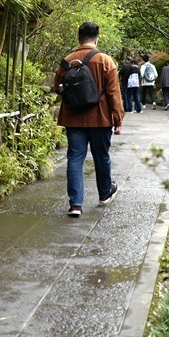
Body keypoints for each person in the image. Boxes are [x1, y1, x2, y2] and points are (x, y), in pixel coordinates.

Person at [54, 21, 124, 217]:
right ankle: (104, 193)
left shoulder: (67, 61)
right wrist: (118, 120)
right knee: (101, 156)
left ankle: (75, 205)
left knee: (75, 159)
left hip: (73, 118)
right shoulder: (105, 61)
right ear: (96, 39)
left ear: (79, 38)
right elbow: (114, 94)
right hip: (100, 118)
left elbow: (57, 88)